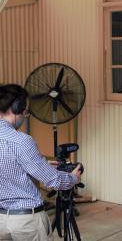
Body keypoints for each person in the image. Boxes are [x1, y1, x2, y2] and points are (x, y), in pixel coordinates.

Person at [0, 84, 82, 241]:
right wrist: (73, 178)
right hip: (26, 222)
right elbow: (54, 180)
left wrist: (40, 166)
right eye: (26, 112)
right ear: (17, 108)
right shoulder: (21, 141)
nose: (25, 116)